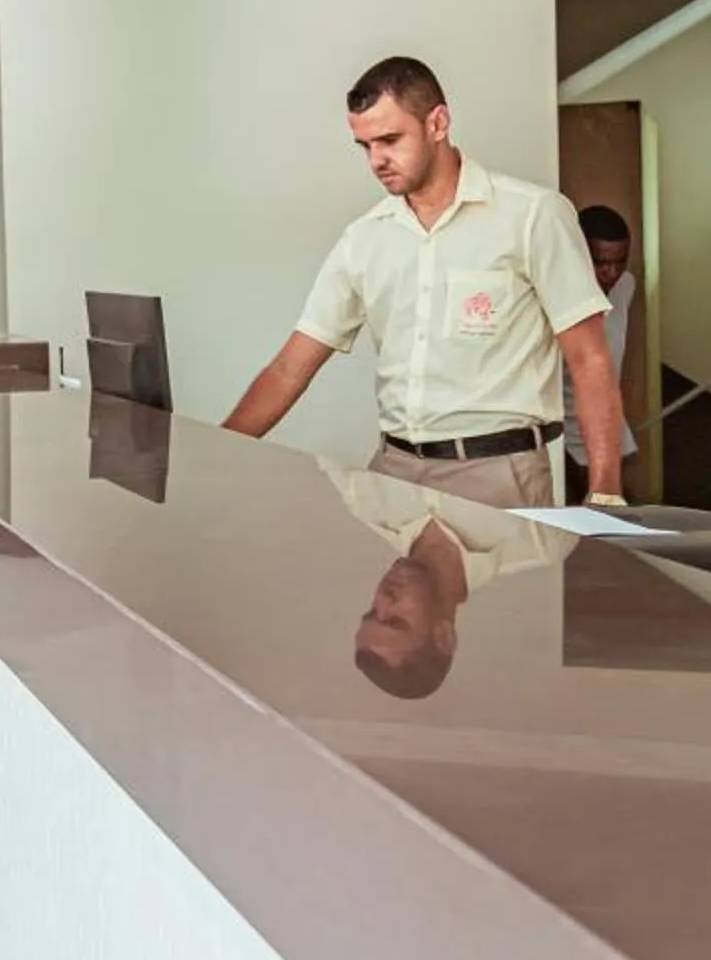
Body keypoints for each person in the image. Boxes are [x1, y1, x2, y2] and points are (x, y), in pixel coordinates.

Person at [225, 56, 629, 509]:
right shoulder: (364, 238)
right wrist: (211, 455)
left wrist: (605, 493)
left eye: (389, 140)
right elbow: (289, 369)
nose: (377, 160)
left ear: (437, 123)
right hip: (394, 471)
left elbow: (589, 358)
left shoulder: (533, 215)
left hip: (500, 474)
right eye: (365, 146)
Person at [330, 462, 569, 700]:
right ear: (443, 636)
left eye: (373, 611)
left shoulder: (363, 500)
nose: (384, 598)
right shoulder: (540, 538)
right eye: (396, 620)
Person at [562, 204, 640, 505]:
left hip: (609, 428)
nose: (612, 273)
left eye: (620, 261)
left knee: (625, 515)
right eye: (601, 263)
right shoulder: (560, 295)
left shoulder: (626, 286)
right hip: (564, 436)